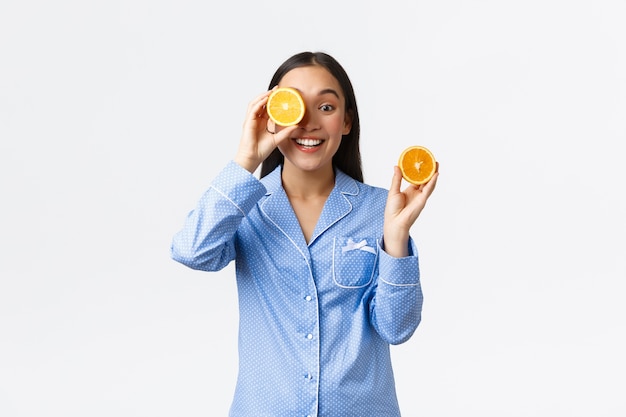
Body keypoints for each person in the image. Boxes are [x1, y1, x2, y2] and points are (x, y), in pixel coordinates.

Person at [170, 51, 439, 417]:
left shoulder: (381, 209)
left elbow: (397, 328)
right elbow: (191, 250)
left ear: (346, 122)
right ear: (272, 117)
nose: (309, 122)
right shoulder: (244, 206)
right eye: (295, 105)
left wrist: (395, 239)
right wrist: (245, 162)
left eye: (326, 107)